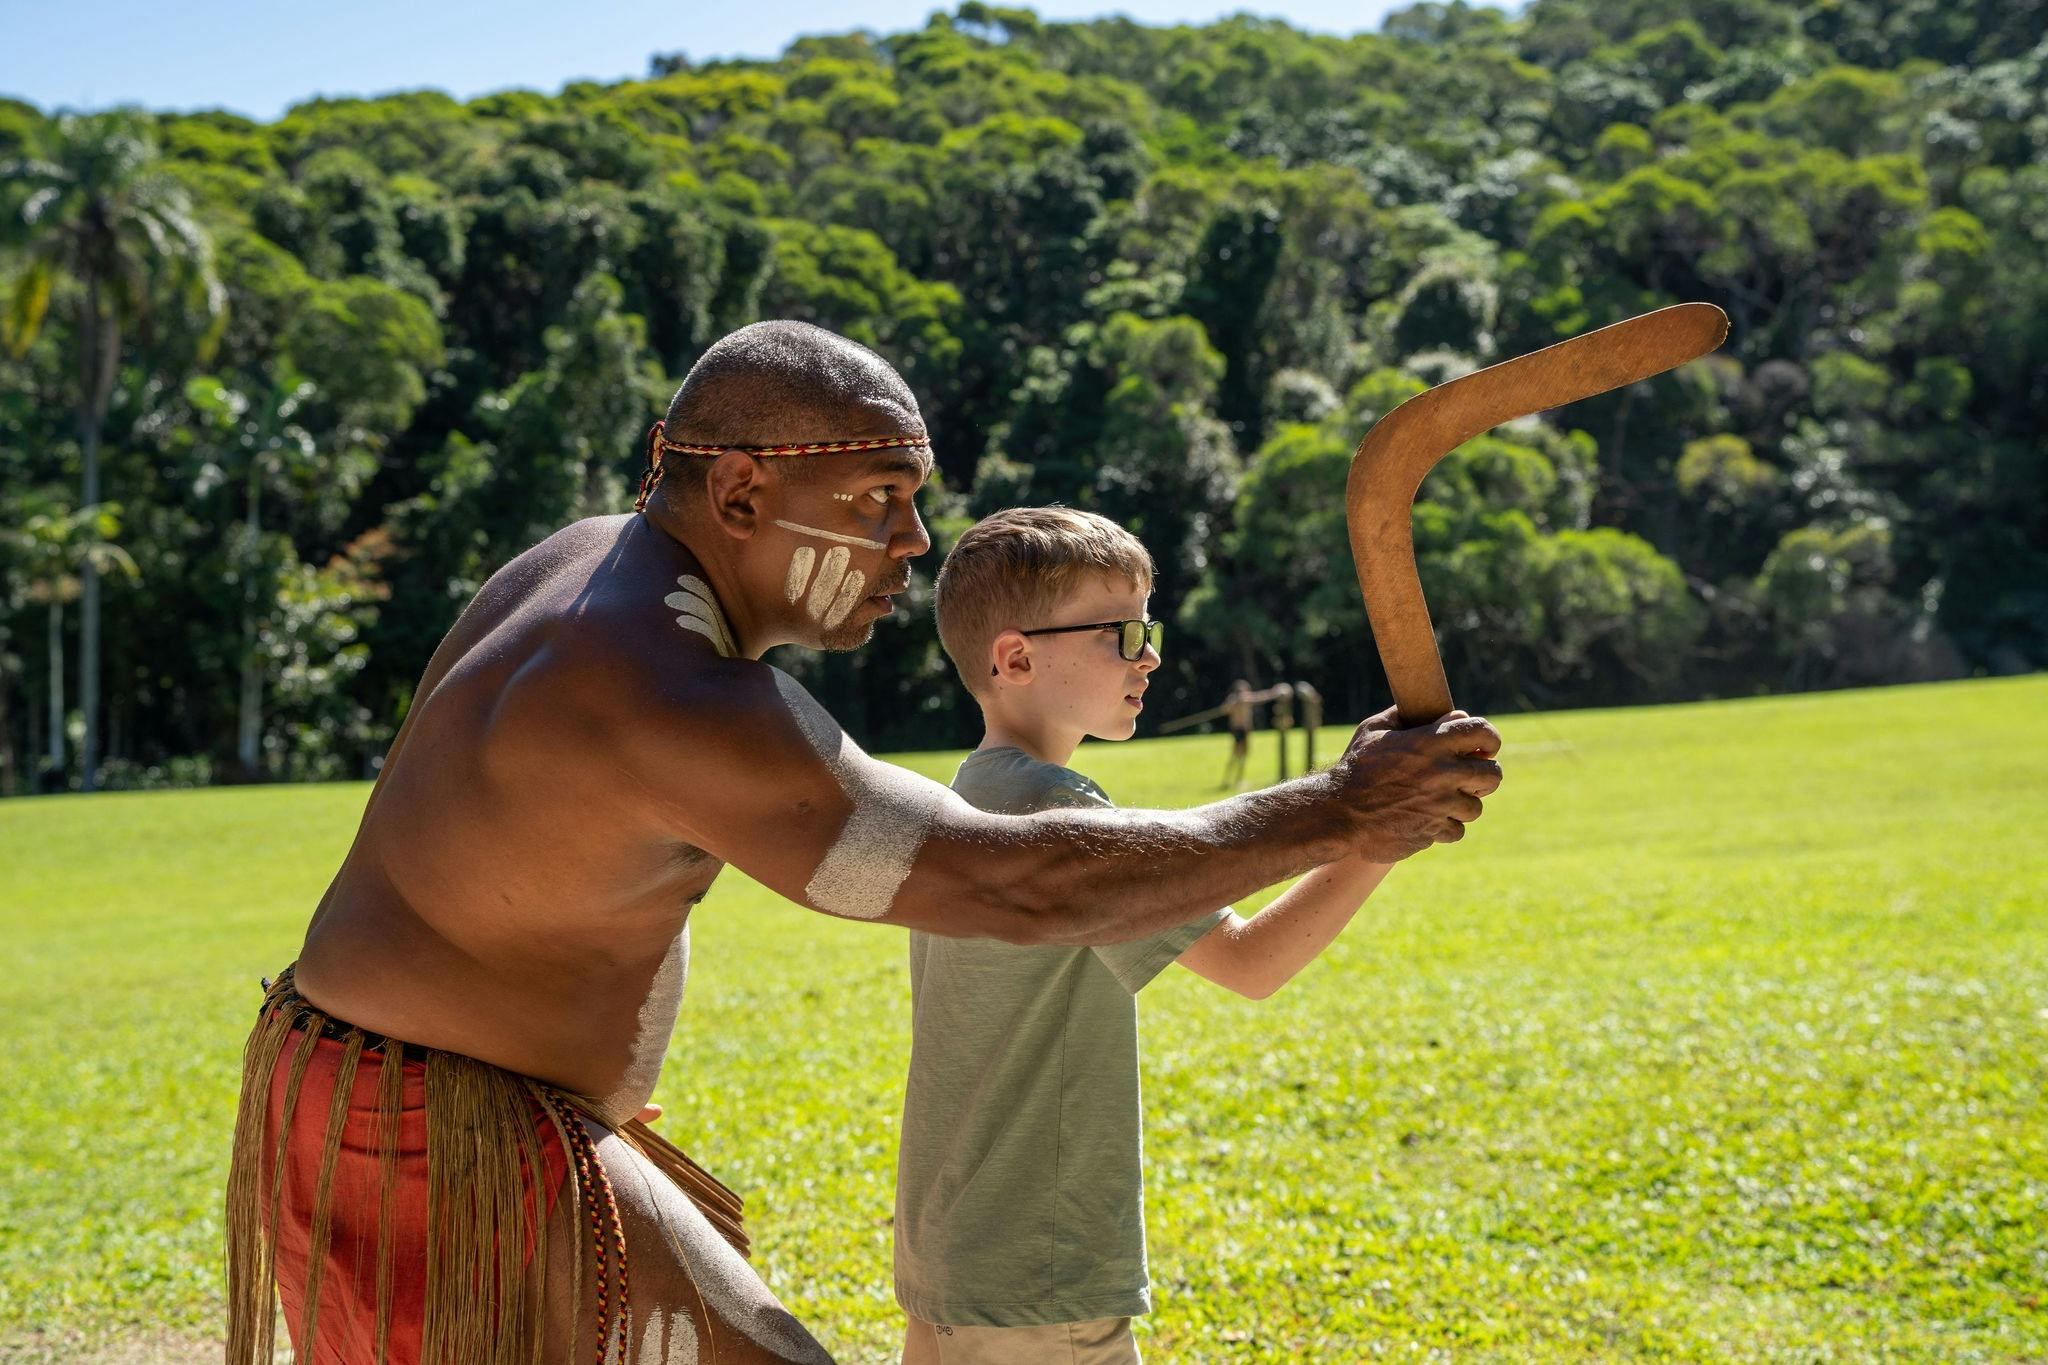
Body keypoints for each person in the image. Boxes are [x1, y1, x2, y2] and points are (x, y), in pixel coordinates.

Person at [224, 322, 1502, 1365]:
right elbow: (1017, 880)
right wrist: (1338, 810)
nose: (910, 544)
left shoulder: (581, 566)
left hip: (414, 1093)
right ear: (738, 491)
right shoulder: (668, 694)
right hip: (427, 1132)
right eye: (881, 500)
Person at [893, 507, 1438, 1363]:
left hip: (952, 1256)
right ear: (1016, 657)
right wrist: (1382, 831)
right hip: (1039, 1270)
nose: (1149, 654)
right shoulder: (1056, 810)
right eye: (1120, 632)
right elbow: (1253, 961)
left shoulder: (965, 799)